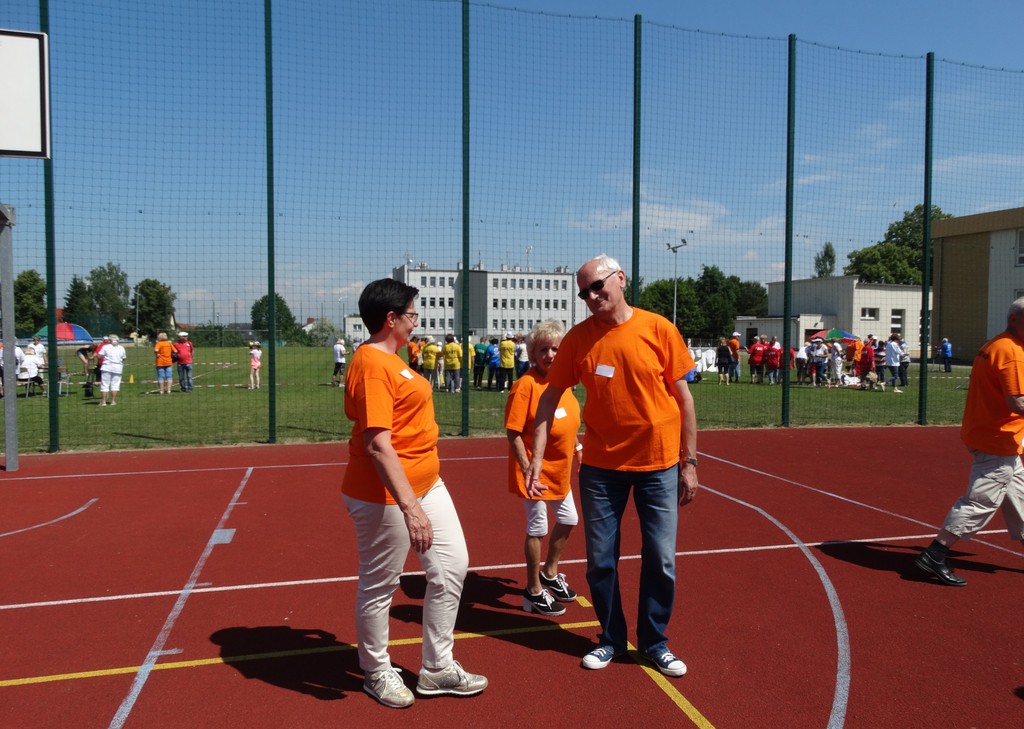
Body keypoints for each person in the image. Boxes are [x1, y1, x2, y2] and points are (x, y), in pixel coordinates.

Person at [526, 254, 698, 678]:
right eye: (583, 292)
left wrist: (689, 461)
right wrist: (536, 457)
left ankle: (655, 642)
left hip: (659, 464)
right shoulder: (578, 339)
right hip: (602, 470)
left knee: (661, 558)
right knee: (601, 560)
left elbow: (684, 399)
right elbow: (549, 399)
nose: (591, 296)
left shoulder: (658, 328)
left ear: (620, 279)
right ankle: (612, 639)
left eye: (597, 286)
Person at [342, 278, 487, 708]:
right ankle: (376, 670)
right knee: (380, 584)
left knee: (452, 566)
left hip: (426, 483)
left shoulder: (394, 358)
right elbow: (377, 444)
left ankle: (437, 668)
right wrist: (411, 508)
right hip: (385, 494)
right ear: (391, 319)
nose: (416, 321)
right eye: (412, 314)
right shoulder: (373, 363)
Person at [914, 297, 1024, 587]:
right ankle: (935, 553)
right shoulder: (1012, 352)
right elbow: (1017, 402)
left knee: (1020, 497)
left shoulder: (995, 344)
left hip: (994, 437)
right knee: (981, 502)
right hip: (997, 441)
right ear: (1014, 319)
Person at [505, 319, 582, 617]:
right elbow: (513, 432)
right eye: (543, 349)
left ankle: (550, 572)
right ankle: (533, 590)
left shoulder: (564, 383)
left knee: (569, 518)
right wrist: (527, 468)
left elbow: (566, 422)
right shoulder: (525, 385)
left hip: (559, 469)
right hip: (533, 471)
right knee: (538, 527)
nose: (550, 355)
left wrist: (577, 447)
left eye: (556, 349)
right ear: (532, 354)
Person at [98, 335, 126, 406]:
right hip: (118, 368)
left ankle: (103, 401)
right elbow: (123, 358)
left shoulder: (105, 347)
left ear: (110, 340)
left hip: (107, 367)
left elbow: (99, 356)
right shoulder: (121, 348)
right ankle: (113, 401)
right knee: (115, 385)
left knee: (104, 385)